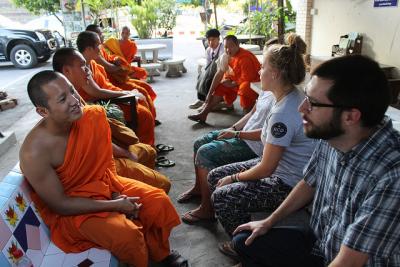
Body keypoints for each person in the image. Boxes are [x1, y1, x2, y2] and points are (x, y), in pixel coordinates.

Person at [232, 55, 400, 267]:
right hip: (323, 243)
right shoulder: (333, 133)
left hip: (350, 260)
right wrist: (269, 221)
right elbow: (308, 182)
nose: (301, 108)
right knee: (244, 242)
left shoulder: (392, 175)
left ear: (351, 116)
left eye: (312, 102)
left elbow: (349, 262)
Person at [19, 70, 189, 267]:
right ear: (43, 111)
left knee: (157, 201)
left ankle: (161, 253)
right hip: (74, 210)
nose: (74, 100)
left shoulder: (85, 117)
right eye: (63, 98)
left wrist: (114, 192)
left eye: (72, 91)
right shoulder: (34, 153)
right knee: (127, 235)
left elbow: (103, 163)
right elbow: (61, 205)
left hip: (104, 185)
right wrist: (114, 205)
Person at [182, 34, 315, 229]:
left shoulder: (284, 111)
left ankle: (242, 245)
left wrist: (234, 177)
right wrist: (235, 132)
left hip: (287, 183)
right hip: (278, 170)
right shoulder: (287, 96)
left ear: (276, 74)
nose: (259, 72)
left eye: (263, 67)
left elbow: (266, 169)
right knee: (214, 176)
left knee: (222, 194)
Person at [53, 47, 171, 192]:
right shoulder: (63, 114)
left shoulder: (76, 98)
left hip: (108, 153)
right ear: (66, 71)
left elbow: (100, 136)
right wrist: (126, 153)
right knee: (162, 186)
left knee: (148, 152)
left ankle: (140, 191)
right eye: (83, 66)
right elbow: (95, 143)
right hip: (101, 168)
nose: (87, 70)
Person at [178, 90, 274, 205]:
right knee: (199, 142)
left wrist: (237, 134)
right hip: (242, 135)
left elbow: (267, 133)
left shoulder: (280, 100)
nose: (259, 72)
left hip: (255, 146)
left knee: (205, 153)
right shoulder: (267, 90)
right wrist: (233, 129)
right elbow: (252, 113)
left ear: (275, 74)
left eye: (263, 70)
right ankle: (198, 188)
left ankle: (207, 208)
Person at [76, 31, 156, 146]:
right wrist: (126, 93)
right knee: (144, 114)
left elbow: (106, 84)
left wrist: (123, 92)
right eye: (98, 45)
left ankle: (145, 146)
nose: (100, 49)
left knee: (142, 100)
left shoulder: (93, 64)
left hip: (108, 96)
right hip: (99, 104)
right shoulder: (81, 69)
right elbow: (97, 92)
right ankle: (144, 146)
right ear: (88, 49)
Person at [188, 35, 261, 123]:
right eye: (226, 47)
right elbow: (219, 74)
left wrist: (232, 84)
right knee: (220, 85)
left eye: (231, 46)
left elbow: (248, 78)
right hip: (237, 82)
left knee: (244, 88)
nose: (228, 50)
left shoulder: (245, 58)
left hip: (252, 83)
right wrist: (209, 93)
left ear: (237, 45)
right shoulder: (225, 56)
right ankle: (203, 114)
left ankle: (248, 118)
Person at [85, 24, 157, 105]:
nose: (103, 36)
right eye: (101, 34)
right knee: (142, 93)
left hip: (115, 79)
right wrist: (123, 68)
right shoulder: (94, 56)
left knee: (145, 87)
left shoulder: (99, 49)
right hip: (113, 82)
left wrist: (116, 60)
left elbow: (109, 58)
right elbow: (109, 70)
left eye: (127, 33)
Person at [189, 28, 225, 109]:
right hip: (213, 71)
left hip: (223, 72)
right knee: (201, 76)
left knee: (209, 79)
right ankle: (202, 100)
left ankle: (208, 102)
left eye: (213, 39)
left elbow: (222, 68)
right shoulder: (208, 50)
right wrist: (204, 75)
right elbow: (208, 65)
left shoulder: (223, 49)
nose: (210, 42)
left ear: (218, 39)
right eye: (208, 40)